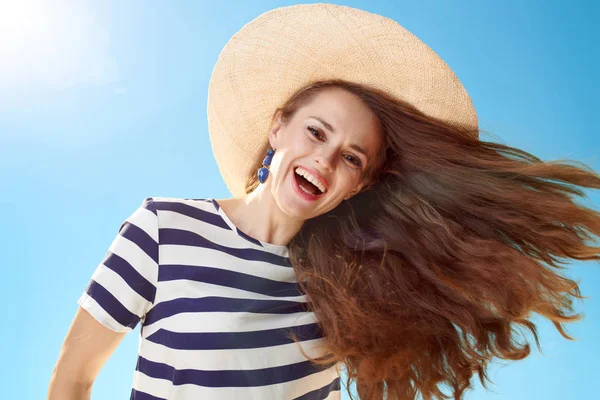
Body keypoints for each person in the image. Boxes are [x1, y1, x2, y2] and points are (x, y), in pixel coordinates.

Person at [48, 3, 600, 400]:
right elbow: (72, 381)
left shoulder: (351, 286)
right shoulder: (163, 229)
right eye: (316, 132)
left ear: (359, 185)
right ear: (277, 128)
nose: (327, 161)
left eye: (353, 158)